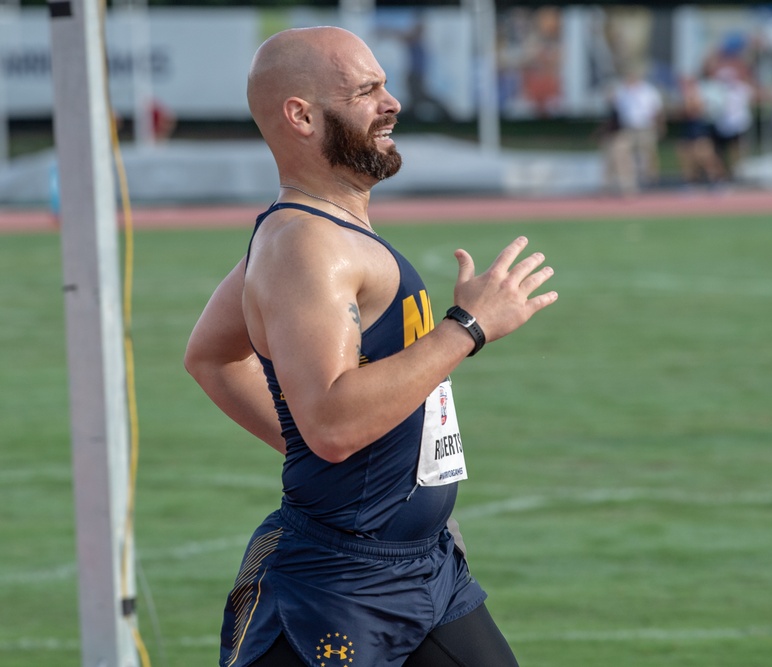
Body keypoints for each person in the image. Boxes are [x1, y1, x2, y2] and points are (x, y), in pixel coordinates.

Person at [183, 26, 557, 667]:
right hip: (339, 587)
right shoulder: (307, 247)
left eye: (385, 84)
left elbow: (211, 356)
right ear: (300, 116)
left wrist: (353, 457)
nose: (393, 103)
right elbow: (330, 424)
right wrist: (466, 327)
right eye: (366, 91)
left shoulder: (312, 230)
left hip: (426, 568)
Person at [604, 65, 665, 195]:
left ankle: (651, 183)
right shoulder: (622, 91)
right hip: (627, 129)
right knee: (621, 153)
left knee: (649, 158)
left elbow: (657, 111)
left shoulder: (649, 91)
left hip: (645, 128)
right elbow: (614, 110)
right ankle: (628, 187)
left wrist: (660, 127)